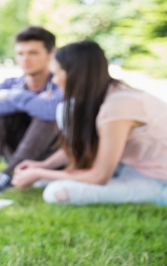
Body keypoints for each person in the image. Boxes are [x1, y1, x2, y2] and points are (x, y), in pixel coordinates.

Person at [12, 40, 167, 206]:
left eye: (57, 74)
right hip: (131, 169)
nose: (55, 81)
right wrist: (44, 165)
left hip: (158, 181)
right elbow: (91, 143)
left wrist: (40, 173)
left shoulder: (118, 106)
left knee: (56, 193)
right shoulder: (107, 94)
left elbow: (99, 176)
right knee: (48, 181)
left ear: (75, 75)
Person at [0, 26, 62, 192]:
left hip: (52, 156)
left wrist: (12, 96)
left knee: (45, 114)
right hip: (16, 149)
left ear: (50, 54)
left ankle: (10, 172)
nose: (25, 59)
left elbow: (50, 110)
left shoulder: (61, 82)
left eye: (33, 53)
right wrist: (31, 101)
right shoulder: (11, 84)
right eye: (20, 53)